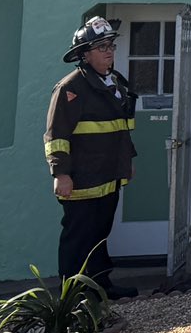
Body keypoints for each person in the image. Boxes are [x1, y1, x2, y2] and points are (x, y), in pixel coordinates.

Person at [45, 15, 139, 298]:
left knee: (100, 236)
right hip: (81, 180)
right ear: (84, 54)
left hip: (108, 176)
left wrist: (128, 161)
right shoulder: (70, 88)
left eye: (110, 45)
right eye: (101, 47)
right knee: (78, 238)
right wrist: (61, 173)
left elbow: (122, 129)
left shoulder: (114, 83)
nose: (109, 51)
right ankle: (72, 297)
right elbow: (56, 135)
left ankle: (102, 287)